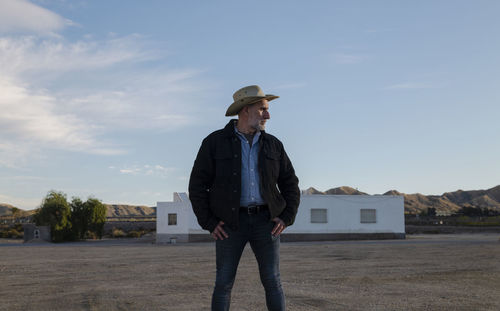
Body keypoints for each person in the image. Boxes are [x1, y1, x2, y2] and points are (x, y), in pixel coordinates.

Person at [189, 85, 300, 311]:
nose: (268, 115)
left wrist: (286, 217)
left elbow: (290, 183)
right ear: (245, 110)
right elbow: (197, 185)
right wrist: (209, 222)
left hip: (266, 223)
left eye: (267, 109)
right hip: (229, 224)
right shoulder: (214, 142)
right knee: (223, 284)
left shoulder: (273, 145)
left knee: (272, 281)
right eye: (262, 109)